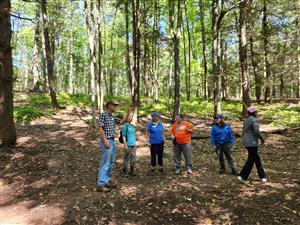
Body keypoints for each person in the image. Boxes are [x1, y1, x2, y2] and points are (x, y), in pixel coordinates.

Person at [97, 101, 134, 192]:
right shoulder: (103, 115)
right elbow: (100, 128)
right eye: (114, 105)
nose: (115, 107)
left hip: (112, 141)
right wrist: (105, 140)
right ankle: (101, 184)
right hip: (107, 141)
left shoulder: (112, 117)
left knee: (111, 162)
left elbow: (121, 121)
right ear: (109, 106)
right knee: (105, 162)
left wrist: (128, 113)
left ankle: (107, 180)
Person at [237, 106, 267, 184]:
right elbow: (256, 132)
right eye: (256, 111)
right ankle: (242, 176)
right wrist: (262, 139)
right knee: (251, 160)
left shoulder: (246, 120)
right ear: (253, 112)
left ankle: (263, 176)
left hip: (246, 142)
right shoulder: (253, 120)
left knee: (257, 159)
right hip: (252, 143)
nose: (257, 113)